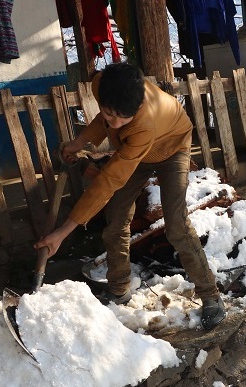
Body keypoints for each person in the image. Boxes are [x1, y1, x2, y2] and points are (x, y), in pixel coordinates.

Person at [35, 62, 226, 330]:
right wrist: (77, 144)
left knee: (176, 225)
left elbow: (108, 181)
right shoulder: (103, 83)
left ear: (136, 108)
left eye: (122, 118)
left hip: (172, 147)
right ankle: (119, 287)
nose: (113, 123)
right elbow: (104, 120)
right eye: (109, 113)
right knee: (116, 217)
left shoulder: (143, 126)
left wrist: (62, 232)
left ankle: (211, 295)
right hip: (135, 149)